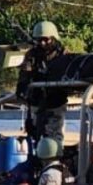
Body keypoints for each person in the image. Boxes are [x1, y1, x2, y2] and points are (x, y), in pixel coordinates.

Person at [18, 20, 68, 150]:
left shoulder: (63, 54)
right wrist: (22, 88)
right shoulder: (32, 54)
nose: (43, 43)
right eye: (39, 40)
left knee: (54, 137)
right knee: (35, 134)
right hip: (36, 102)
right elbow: (24, 74)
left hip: (56, 102)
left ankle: (54, 158)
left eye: (46, 40)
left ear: (54, 38)